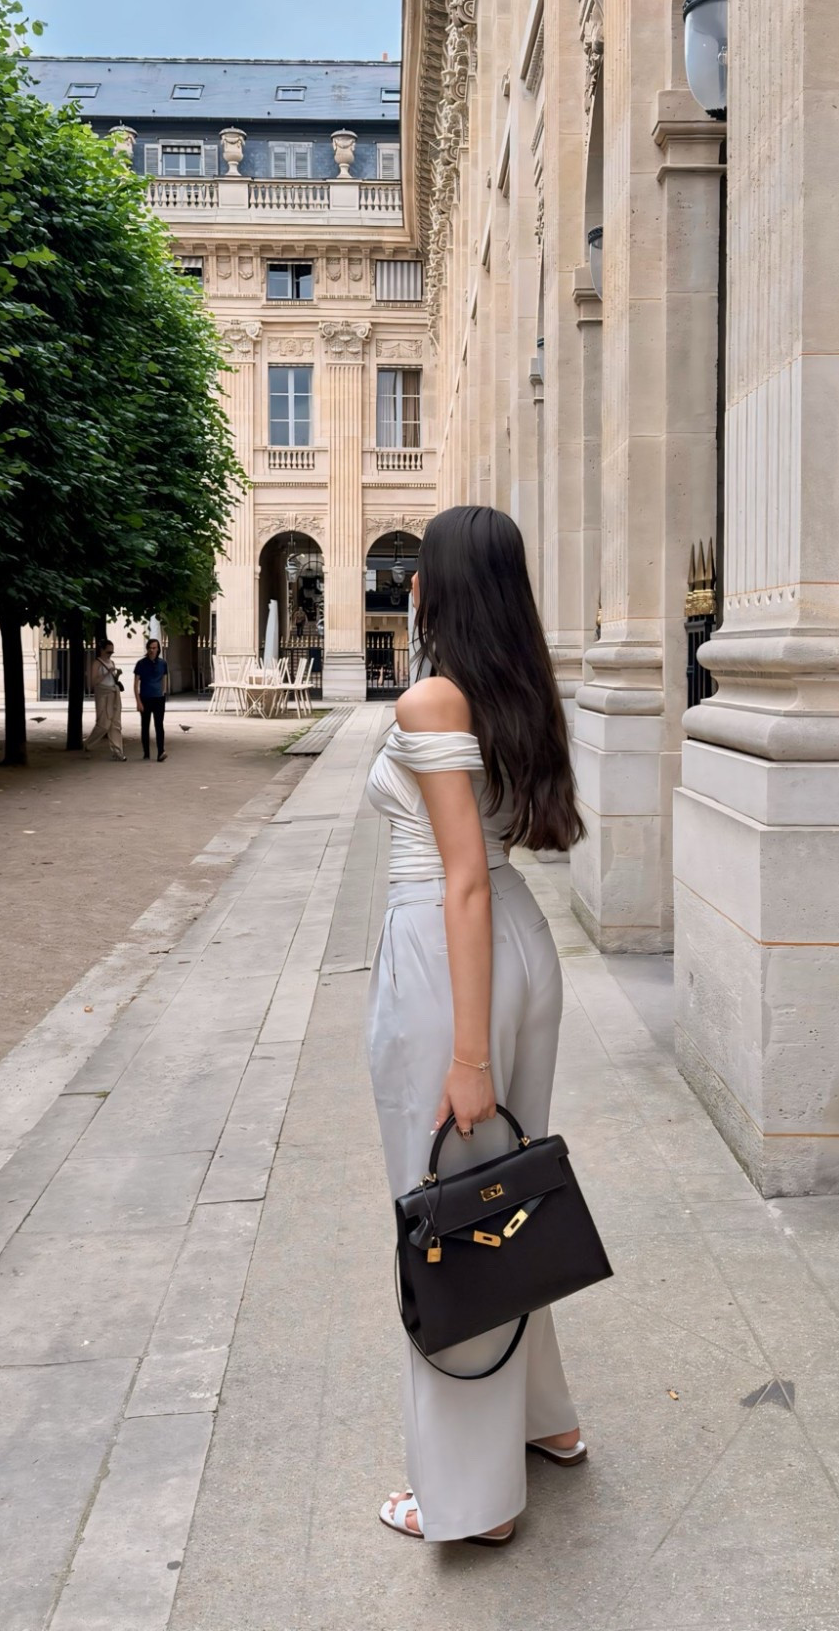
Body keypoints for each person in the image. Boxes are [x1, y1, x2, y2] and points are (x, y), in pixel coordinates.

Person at [366, 505, 586, 1547]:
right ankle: (543, 1420)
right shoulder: (513, 687)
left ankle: (471, 1497)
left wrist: (465, 1055)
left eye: (416, 566)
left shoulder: (431, 695)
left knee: (452, 1212)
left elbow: (457, 877)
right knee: (511, 1192)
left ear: (439, 584)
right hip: (520, 946)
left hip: (455, 953)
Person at [85, 640, 126, 761]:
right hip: (103, 693)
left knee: (115, 724)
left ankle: (117, 751)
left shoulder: (111, 662)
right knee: (103, 724)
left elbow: (112, 679)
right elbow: (93, 682)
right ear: (102, 650)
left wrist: (116, 675)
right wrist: (107, 672)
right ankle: (88, 744)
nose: (110, 654)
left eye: (112, 652)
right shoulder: (97, 663)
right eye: (108, 651)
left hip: (113, 692)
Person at [134, 637, 169, 762]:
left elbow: (164, 678)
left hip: (159, 698)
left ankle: (161, 751)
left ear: (158, 649)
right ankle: (146, 753)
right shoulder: (141, 664)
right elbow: (136, 684)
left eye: (154, 648)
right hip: (145, 698)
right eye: (150, 648)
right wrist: (138, 701)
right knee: (145, 726)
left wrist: (163, 692)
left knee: (159, 725)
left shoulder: (163, 663)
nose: (152, 650)